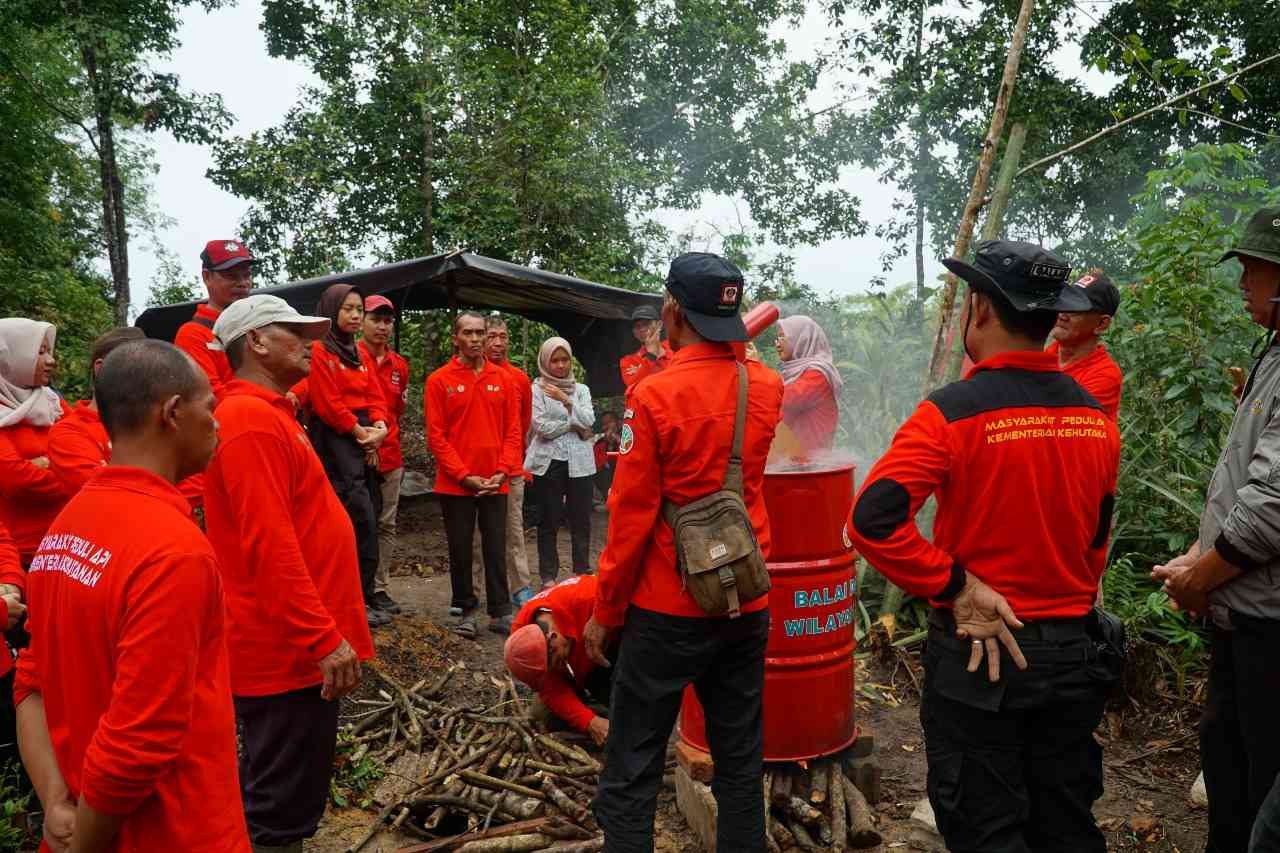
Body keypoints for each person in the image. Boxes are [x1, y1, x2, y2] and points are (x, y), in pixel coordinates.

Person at [845, 240, 1120, 853]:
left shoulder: (949, 413)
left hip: (982, 661)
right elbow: (1096, 540)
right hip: (1074, 656)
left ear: (981, 309)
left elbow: (872, 520)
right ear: (1052, 317)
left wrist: (957, 586)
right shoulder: (1094, 417)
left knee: (986, 829)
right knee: (1066, 825)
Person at [15, 339, 250, 853]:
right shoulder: (174, 551)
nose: (218, 424)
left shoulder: (67, 527)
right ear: (172, 413)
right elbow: (138, 742)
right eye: (209, 408)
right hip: (174, 832)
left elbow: (30, 685)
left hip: (80, 814)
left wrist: (56, 799)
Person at [584, 253, 784, 852]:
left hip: (667, 610)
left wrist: (606, 611)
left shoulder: (652, 395)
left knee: (635, 763)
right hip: (746, 603)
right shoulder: (767, 385)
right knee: (741, 762)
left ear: (672, 310)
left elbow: (630, 517)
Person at [203, 294, 374, 853]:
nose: (309, 342)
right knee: (277, 808)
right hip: (285, 656)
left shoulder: (270, 413)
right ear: (254, 342)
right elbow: (270, 545)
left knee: (287, 798)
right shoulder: (248, 421)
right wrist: (322, 638)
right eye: (293, 332)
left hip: (295, 650)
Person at [1153, 206, 1280, 853]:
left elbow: (1271, 506)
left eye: (1254, 272)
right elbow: (1247, 484)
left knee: (1264, 788)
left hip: (1270, 627)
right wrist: (1199, 555)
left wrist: (1201, 577)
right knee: (1228, 767)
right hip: (1243, 616)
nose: (1244, 286)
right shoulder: (1273, 354)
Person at [425, 312, 521, 639]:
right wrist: (464, 476)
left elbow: (513, 432)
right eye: (469, 333)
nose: (477, 339)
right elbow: (436, 437)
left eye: (481, 332)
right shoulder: (439, 380)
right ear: (456, 338)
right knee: (461, 548)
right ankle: (466, 610)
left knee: (496, 545)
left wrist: (502, 471)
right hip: (456, 484)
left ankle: (500, 611)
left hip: (496, 481)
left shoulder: (504, 378)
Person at [302, 284, 390, 627]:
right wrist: (361, 434)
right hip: (337, 442)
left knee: (371, 516)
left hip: (365, 436)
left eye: (358, 310)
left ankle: (366, 595)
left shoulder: (360, 353)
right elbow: (326, 403)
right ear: (332, 311)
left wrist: (379, 428)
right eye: (348, 309)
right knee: (352, 519)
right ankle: (349, 600)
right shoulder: (321, 351)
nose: (355, 316)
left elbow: (376, 395)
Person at [504, 574, 613, 746]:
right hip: (578, 671)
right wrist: (590, 721)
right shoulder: (521, 635)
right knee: (541, 716)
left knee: (629, 713)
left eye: (554, 662)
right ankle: (599, 715)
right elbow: (548, 688)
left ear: (552, 637)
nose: (555, 668)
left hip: (610, 656)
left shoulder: (589, 598)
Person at [527, 337, 596, 587]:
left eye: (564, 359)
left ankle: (581, 571)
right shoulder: (537, 389)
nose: (560, 365)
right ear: (545, 362)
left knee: (581, 519)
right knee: (548, 519)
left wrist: (566, 400)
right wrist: (573, 425)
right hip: (549, 461)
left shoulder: (582, 390)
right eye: (554, 360)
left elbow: (589, 421)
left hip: (580, 462)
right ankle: (548, 576)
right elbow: (541, 427)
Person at [0, 318, 70, 565]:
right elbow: (16, 480)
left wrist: (45, 464)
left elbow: (87, 450)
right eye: (40, 352)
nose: (51, 360)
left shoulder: (53, 403)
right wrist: (69, 471)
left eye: (49, 351)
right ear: (11, 358)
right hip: (19, 557)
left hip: (67, 548)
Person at [47, 327, 145, 496]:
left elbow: (193, 478)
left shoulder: (153, 422)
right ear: (100, 368)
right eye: (135, 366)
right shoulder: (69, 432)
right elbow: (104, 492)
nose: (147, 377)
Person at [360, 295, 411, 616]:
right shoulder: (350, 357)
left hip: (391, 456)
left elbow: (397, 411)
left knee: (386, 524)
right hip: (357, 455)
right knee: (359, 522)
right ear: (360, 321)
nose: (381, 326)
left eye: (387, 320)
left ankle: (379, 587)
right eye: (375, 319)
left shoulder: (399, 366)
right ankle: (358, 589)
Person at [485, 315, 535, 606]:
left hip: (513, 467)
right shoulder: (472, 374)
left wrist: (512, 457)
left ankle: (520, 586)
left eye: (502, 336)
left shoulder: (518, 378)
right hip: (478, 467)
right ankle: (478, 587)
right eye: (492, 336)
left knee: (513, 529)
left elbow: (523, 421)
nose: (497, 343)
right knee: (480, 532)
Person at [174, 239, 258, 401]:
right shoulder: (193, 334)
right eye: (231, 276)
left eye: (246, 275)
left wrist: (293, 394)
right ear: (207, 277)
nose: (242, 283)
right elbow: (210, 396)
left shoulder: (259, 322)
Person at [1046, 270, 1124, 421]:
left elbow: (1061, 427)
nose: (1062, 315)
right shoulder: (1045, 356)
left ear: (1101, 324)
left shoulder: (1104, 375)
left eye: (1075, 309)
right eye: (1062, 304)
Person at [775, 314, 842, 455]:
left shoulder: (817, 375)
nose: (777, 344)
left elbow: (783, 400)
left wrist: (753, 368)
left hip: (811, 464)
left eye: (782, 337)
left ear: (801, 340)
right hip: (795, 459)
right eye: (777, 338)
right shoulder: (796, 372)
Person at [618, 304, 671, 390]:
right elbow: (635, 387)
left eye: (646, 324)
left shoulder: (675, 347)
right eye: (637, 326)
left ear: (659, 325)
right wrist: (651, 355)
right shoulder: (628, 361)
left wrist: (641, 370)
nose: (642, 329)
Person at [593, 411, 621, 505]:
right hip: (607, 483)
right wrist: (609, 446)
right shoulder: (599, 443)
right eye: (604, 424)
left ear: (619, 423)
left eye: (610, 422)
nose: (607, 426)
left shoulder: (628, 438)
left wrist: (617, 440)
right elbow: (597, 467)